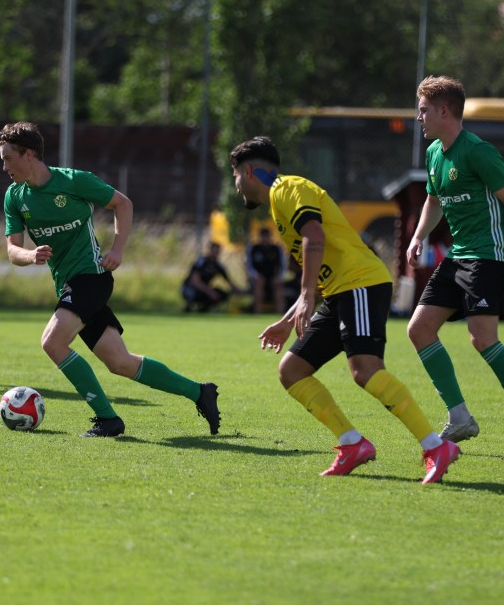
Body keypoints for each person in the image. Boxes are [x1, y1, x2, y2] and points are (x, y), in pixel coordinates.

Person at [230, 136, 459, 483]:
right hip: (340, 292)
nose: (235, 184)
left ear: (249, 171)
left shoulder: (287, 188)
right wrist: (289, 319)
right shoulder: (279, 201)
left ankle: (435, 447)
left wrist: (305, 296)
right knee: (292, 370)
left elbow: (314, 237)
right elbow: (319, 262)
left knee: (366, 370)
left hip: (360, 284)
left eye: (234, 175)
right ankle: (352, 444)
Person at [0, 121, 220, 437]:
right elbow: (12, 250)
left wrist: (117, 249)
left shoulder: (73, 181)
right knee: (120, 362)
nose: (4, 166)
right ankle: (200, 392)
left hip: (92, 276)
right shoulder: (15, 196)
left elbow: (122, 203)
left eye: (8, 158)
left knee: (52, 342)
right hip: (68, 285)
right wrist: (30, 255)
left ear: (29, 154)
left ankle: (108, 419)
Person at [405, 75, 504, 460]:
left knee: (482, 338)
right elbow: (433, 200)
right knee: (419, 329)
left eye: (423, 110)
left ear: (444, 111)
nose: (418, 118)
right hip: (458, 256)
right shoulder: (434, 153)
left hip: (488, 255)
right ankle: (459, 417)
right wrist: (419, 236)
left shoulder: (478, 151)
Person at [181, 242, 239, 312]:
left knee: (222, 294)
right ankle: (190, 306)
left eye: (218, 252)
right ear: (210, 250)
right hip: (190, 289)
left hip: (205, 290)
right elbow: (195, 281)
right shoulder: (202, 262)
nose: (217, 254)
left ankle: (203, 309)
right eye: (215, 251)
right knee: (198, 294)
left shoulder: (217, 265)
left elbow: (229, 281)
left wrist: (239, 291)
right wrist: (210, 292)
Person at [246, 227, 286, 313]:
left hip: (273, 277)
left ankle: (279, 313)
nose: (265, 239)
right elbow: (249, 266)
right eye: (263, 236)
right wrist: (257, 276)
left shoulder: (277, 249)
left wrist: (279, 277)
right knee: (259, 285)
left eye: (267, 236)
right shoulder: (253, 248)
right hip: (258, 277)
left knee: (278, 286)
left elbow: (283, 265)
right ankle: (257, 313)